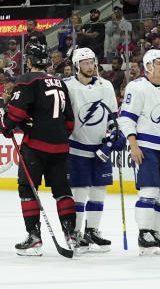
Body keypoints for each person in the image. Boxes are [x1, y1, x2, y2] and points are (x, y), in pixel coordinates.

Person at [1, 42, 79, 255]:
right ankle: (71, 235)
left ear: (28, 61)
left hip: (35, 146)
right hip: (61, 146)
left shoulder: (27, 80)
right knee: (62, 191)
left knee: (28, 190)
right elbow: (69, 121)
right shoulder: (60, 82)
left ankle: (34, 238)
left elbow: (16, 114)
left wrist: (6, 125)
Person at [64, 47, 121, 252]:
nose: (90, 66)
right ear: (77, 66)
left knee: (99, 191)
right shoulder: (67, 86)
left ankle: (92, 230)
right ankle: (76, 233)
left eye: (92, 62)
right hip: (76, 148)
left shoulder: (105, 85)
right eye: (85, 63)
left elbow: (114, 117)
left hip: (100, 149)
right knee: (79, 193)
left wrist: (113, 137)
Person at [118, 48, 160, 255]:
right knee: (149, 190)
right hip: (146, 146)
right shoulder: (137, 87)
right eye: (159, 62)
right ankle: (145, 233)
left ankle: (157, 233)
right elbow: (126, 118)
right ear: (149, 66)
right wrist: (133, 145)